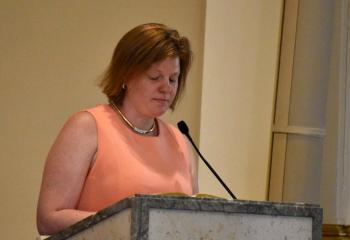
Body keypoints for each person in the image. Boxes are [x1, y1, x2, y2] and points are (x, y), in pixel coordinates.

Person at [36, 23, 199, 235]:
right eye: (155, 77)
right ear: (125, 75)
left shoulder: (180, 141)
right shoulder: (87, 127)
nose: (166, 88)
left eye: (173, 79)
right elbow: (49, 218)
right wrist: (135, 221)